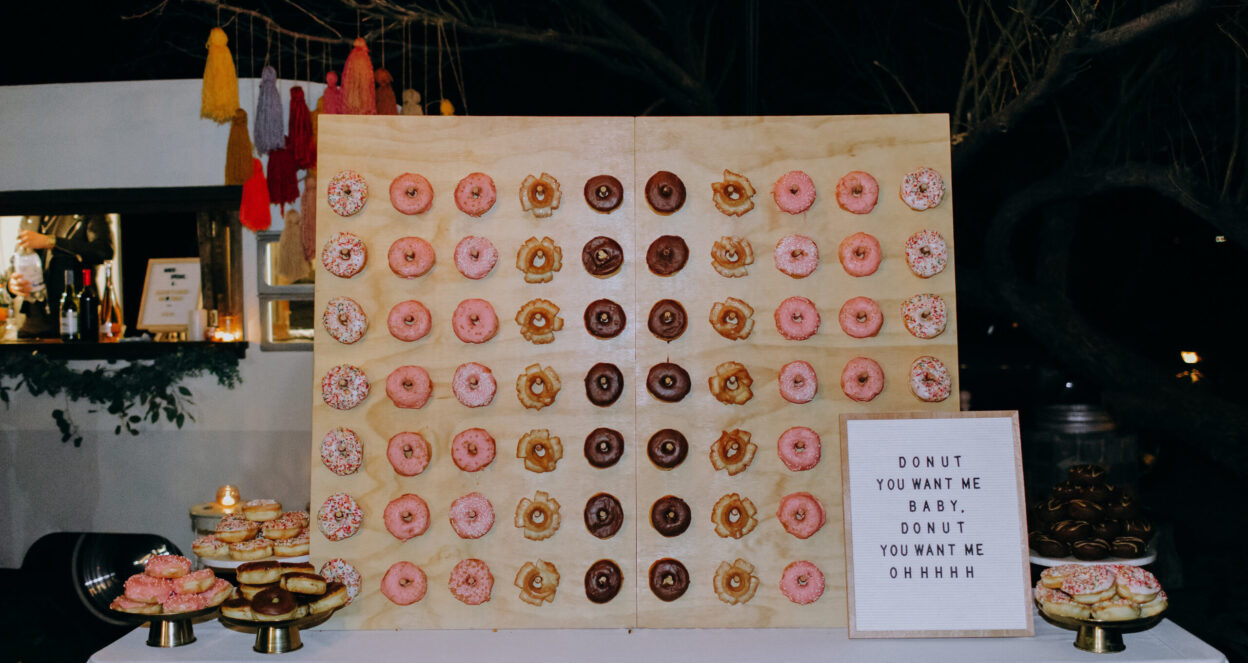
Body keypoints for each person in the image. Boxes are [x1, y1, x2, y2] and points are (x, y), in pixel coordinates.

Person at [5, 215, 114, 338]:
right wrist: (11, 286)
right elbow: (16, 263)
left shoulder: (86, 208)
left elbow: (104, 251)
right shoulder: (30, 215)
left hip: (72, 324)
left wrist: (51, 241)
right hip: (29, 327)